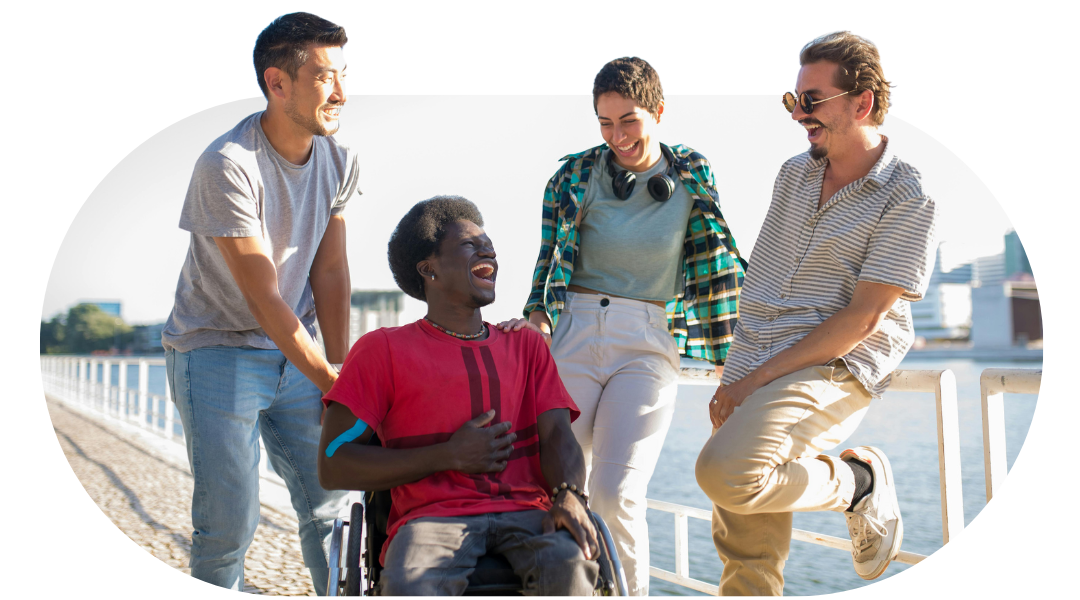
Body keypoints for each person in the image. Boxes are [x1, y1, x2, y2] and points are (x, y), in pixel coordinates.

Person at [693, 30, 936, 596]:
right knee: (744, 545)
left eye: (813, 100)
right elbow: (768, 281)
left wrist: (755, 380)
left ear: (863, 103)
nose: (799, 113)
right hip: (756, 353)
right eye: (793, 99)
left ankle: (856, 481)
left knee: (726, 474)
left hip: (833, 364)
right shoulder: (793, 174)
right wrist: (741, 362)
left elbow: (863, 320)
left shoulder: (908, 195)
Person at [499, 55, 746, 597]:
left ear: (658, 112)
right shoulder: (574, 174)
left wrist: (740, 353)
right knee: (555, 484)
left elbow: (719, 262)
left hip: (648, 339)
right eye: (605, 123)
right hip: (575, 333)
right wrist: (537, 319)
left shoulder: (692, 173)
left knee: (617, 493)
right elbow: (550, 262)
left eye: (628, 120)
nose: (617, 136)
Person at [160, 12, 357, 594]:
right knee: (227, 524)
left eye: (345, 74)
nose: (342, 93)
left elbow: (331, 270)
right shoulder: (227, 164)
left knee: (332, 507)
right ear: (277, 84)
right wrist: (328, 376)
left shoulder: (340, 159)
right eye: (326, 77)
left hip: (297, 349)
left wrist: (339, 373)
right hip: (215, 349)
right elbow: (263, 293)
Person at [317, 196, 600, 597]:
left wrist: (571, 496)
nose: (488, 250)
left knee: (571, 567)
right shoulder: (382, 351)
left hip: (528, 513)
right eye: (470, 245)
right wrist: (447, 456)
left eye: (488, 243)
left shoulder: (526, 347)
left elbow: (558, 437)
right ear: (428, 268)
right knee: (408, 585)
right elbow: (333, 464)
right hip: (430, 520)